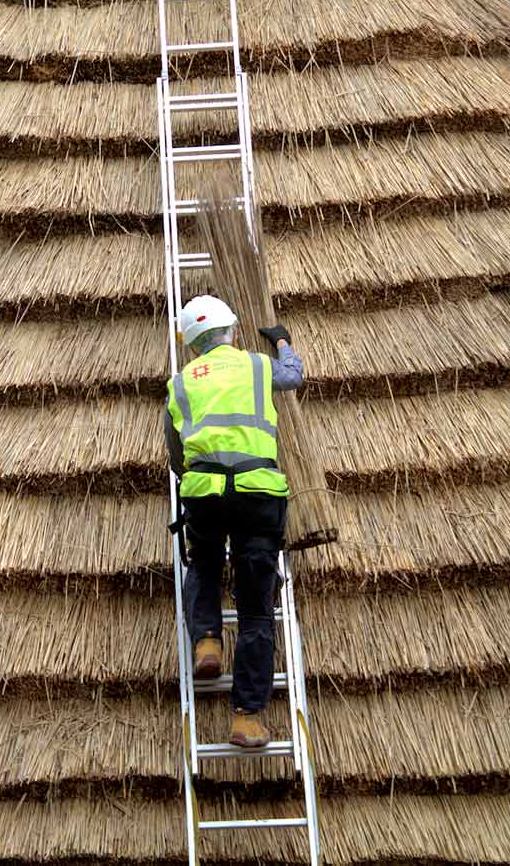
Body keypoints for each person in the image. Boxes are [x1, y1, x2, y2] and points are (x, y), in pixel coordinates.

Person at [164, 294, 303, 748]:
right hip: (258, 492)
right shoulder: (258, 366)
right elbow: (294, 376)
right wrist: (282, 342)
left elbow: (176, 453)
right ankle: (247, 718)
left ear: (192, 346)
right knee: (257, 609)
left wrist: (199, 478)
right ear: (233, 331)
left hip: (205, 491)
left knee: (203, 563)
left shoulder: (181, 382)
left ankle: (206, 641)